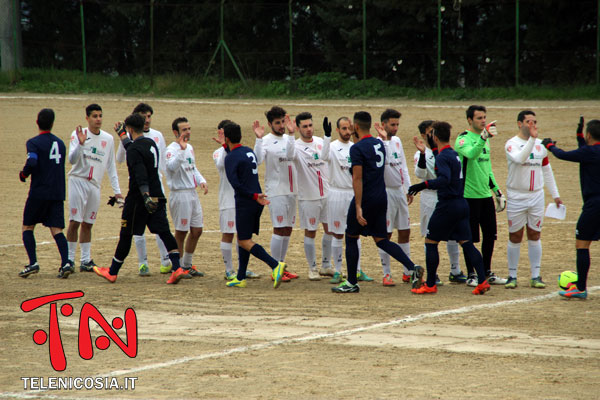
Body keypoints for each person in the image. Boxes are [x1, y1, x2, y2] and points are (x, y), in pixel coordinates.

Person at [332, 111, 423, 293]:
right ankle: (413, 268)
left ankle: (351, 282)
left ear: (356, 127)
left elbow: (357, 179)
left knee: (351, 236)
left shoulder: (356, 149)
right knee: (381, 239)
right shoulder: (378, 143)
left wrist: (358, 206)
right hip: (381, 197)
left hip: (366, 198)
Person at [93, 113, 187, 284]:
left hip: (139, 199)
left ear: (129, 129)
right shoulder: (150, 143)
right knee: (164, 232)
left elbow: (140, 173)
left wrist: (145, 195)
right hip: (158, 195)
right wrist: (122, 136)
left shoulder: (134, 150)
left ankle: (112, 272)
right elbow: (134, 149)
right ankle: (177, 267)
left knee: (126, 234)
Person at [408, 121, 491, 295]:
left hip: (447, 205)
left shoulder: (442, 157)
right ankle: (482, 280)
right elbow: (444, 162)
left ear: (435, 137)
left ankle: (430, 284)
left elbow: (444, 179)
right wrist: (433, 148)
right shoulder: (452, 153)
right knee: (467, 243)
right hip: (462, 204)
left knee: (430, 242)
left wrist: (422, 185)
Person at [221, 122, 288, 288]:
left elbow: (235, 184)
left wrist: (251, 196)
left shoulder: (230, 158)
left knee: (244, 241)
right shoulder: (248, 151)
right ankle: (241, 276)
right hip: (258, 199)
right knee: (244, 237)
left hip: (247, 201)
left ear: (227, 138)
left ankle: (275, 265)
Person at [542, 117, 600, 299]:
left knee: (582, 244)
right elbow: (585, 149)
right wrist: (578, 135)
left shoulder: (589, 153)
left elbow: (563, 155)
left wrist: (549, 145)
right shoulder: (592, 151)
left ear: (588, 134)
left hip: (594, 206)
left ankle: (580, 288)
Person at [504, 110, 562, 289]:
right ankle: (512, 276)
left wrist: (555, 194)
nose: (533, 125)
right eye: (529, 122)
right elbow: (520, 159)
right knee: (515, 235)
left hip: (536, 196)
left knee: (535, 234)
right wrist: (532, 140)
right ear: (519, 124)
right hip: (516, 196)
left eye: (535, 121)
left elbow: (546, 170)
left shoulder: (541, 145)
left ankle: (535, 275)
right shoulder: (511, 144)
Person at [116, 103, 172, 276]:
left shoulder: (157, 135)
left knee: (158, 226)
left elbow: (161, 164)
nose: (147, 120)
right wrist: (123, 140)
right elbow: (120, 158)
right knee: (137, 228)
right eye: (143, 116)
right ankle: (143, 263)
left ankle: (166, 261)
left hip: (153, 186)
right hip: (138, 186)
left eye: (149, 116)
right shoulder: (130, 139)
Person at [66, 104, 123, 272]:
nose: (98, 119)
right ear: (87, 118)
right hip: (78, 180)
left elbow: (111, 166)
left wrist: (117, 191)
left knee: (88, 223)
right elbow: (72, 160)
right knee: (75, 221)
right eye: (94, 116)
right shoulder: (78, 134)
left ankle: (85, 260)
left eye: (100, 116)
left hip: (95, 185)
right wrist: (81, 144)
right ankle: (69, 260)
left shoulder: (108, 139)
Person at [455, 105, 507, 286]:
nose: (483, 121)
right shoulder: (462, 139)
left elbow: (487, 168)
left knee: (490, 236)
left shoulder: (485, 139)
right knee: (470, 237)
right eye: (479, 118)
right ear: (470, 120)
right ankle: (472, 274)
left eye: (484, 117)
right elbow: (471, 154)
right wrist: (483, 138)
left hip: (485, 196)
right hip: (468, 196)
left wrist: (497, 191)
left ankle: (486, 271)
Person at [18, 108, 73, 279]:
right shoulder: (60, 144)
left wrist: (24, 173)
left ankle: (33, 262)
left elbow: (32, 161)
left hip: (39, 192)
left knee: (28, 226)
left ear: (37, 122)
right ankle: (66, 263)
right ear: (52, 123)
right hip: (57, 192)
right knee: (56, 229)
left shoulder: (33, 142)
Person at [413, 120, 466, 284]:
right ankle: (433, 275)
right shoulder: (420, 154)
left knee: (452, 234)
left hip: (446, 196)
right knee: (430, 235)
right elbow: (420, 174)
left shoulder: (445, 152)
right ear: (424, 135)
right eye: (430, 132)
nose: (433, 135)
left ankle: (455, 270)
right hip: (429, 196)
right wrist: (422, 154)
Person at [253, 106, 299, 282]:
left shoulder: (289, 138)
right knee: (279, 228)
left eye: (282, 122)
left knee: (287, 229)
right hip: (276, 191)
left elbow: (291, 155)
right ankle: (275, 269)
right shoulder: (265, 140)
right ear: (270, 124)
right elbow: (257, 161)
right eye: (277, 123)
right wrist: (258, 139)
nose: (281, 126)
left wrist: (292, 134)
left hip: (291, 190)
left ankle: (281, 265)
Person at [212, 120, 260, 280]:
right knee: (228, 234)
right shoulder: (219, 152)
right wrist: (224, 146)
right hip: (227, 200)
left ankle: (242, 269)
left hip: (241, 199)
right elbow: (221, 164)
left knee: (243, 235)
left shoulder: (239, 152)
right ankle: (229, 270)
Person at [321, 117, 365, 284]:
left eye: (349, 129)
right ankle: (338, 271)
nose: (347, 132)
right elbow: (323, 156)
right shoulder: (331, 146)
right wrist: (326, 136)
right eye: (344, 129)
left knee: (356, 233)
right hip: (337, 194)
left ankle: (358, 270)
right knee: (338, 234)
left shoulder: (355, 148)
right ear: (338, 130)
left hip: (353, 194)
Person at [291, 112, 334, 280]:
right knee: (311, 231)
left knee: (330, 229)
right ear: (297, 128)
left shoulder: (320, 142)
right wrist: (289, 135)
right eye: (304, 126)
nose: (308, 129)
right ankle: (312, 268)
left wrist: (327, 137)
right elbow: (288, 155)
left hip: (327, 194)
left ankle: (326, 265)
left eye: (310, 125)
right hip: (308, 196)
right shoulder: (295, 146)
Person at [164, 117, 208, 277]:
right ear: (176, 132)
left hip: (192, 193)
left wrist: (201, 180)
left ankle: (187, 264)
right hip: (180, 194)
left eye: (189, 129)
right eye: (184, 130)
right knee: (181, 232)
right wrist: (181, 151)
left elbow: (192, 168)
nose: (188, 132)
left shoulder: (189, 147)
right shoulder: (171, 149)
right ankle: (178, 266)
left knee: (197, 230)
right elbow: (171, 167)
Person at [378, 109, 412, 286]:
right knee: (386, 234)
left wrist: (409, 188)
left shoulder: (397, 141)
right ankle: (387, 273)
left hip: (399, 191)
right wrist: (384, 140)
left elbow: (403, 166)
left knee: (405, 230)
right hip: (386, 193)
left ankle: (408, 272)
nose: (395, 128)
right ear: (383, 125)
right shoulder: (378, 144)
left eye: (397, 124)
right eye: (392, 124)